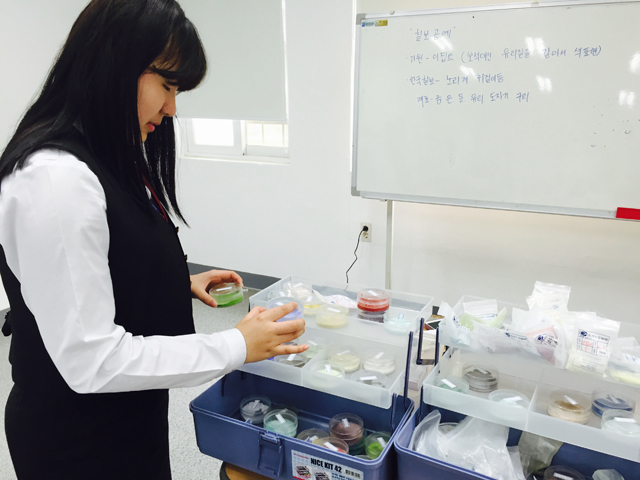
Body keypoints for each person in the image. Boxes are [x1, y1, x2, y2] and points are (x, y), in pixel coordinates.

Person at [0, 1, 306, 478]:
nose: (171, 108)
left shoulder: (108, 152)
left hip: (128, 413)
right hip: (76, 441)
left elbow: (108, 256)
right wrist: (235, 345)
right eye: (166, 85)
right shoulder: (55, 180)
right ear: (114, 64)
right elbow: (93, 361)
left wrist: (174, 281)